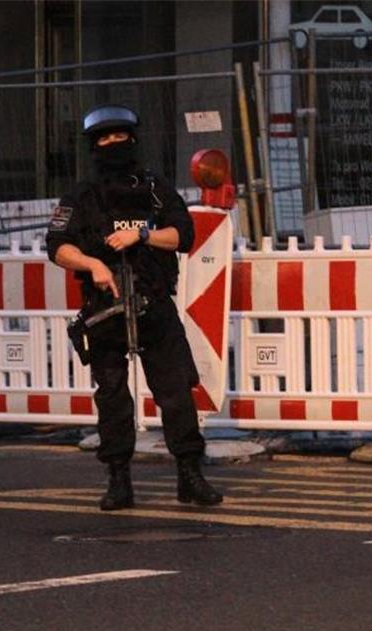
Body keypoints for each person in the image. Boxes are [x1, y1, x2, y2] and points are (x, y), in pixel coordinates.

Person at [46, 104, 222, 511]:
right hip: (105, 308)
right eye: (105, 139)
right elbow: (57, 246)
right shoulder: (82, 194)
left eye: (119, 137)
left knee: (176, 393)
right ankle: (118, 480)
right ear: (94, 145)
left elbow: (184, 235)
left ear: (133, 139)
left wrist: (142, 235)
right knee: (112, 397)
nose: (113, 144)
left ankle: (190, 477)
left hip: (153, 303)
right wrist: (92, 264)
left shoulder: (154, 186)